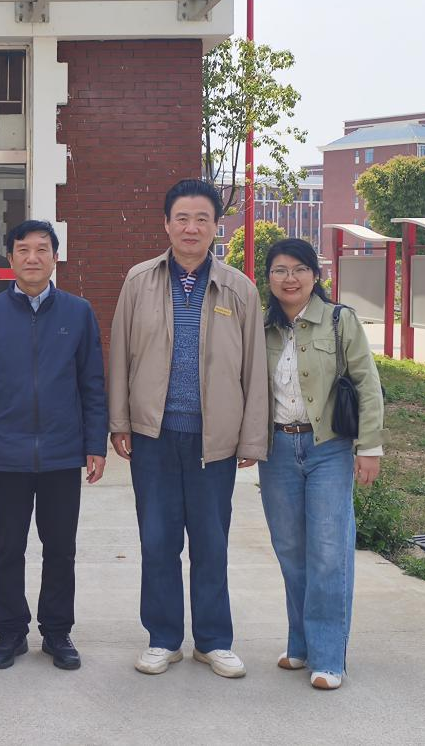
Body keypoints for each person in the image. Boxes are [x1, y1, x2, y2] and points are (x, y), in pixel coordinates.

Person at [108, 178, 268, 679]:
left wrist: (251, 437)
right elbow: (120, 353)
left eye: (202, 219)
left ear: (217, 226)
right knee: (157, 541)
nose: (191, 228)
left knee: (210, 543)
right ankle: (163, 638)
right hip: (154, 436)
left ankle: (214, 641)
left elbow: (254, 368)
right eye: (182, 218)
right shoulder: (139, 281)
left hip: (213, 440)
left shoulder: (239, 288)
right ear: (166, 224)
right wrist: (120, 422)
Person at [0, 220, 107, 671]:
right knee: (9, 548)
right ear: (10, 259)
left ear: (55, 257)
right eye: (23, 250)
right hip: (7, 453)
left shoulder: (78, 312)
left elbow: (92, 383)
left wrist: (95, 444)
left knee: (60, 548)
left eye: (42, 249)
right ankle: (10, 632)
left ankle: (57, 632)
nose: (32, 258)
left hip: (62, 452)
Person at [260, 238, 385, 691]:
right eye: (279, 270)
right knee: (291, 552)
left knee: (329, 553)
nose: (289, 278)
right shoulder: (262, 327)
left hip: (328, 448)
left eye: (299, 269)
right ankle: (301, 644)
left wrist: (369, 447)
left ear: (315, 275)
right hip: (277, 450)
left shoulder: (339, 320)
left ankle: (329, 656)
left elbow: (366, 383)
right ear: (269, 278)